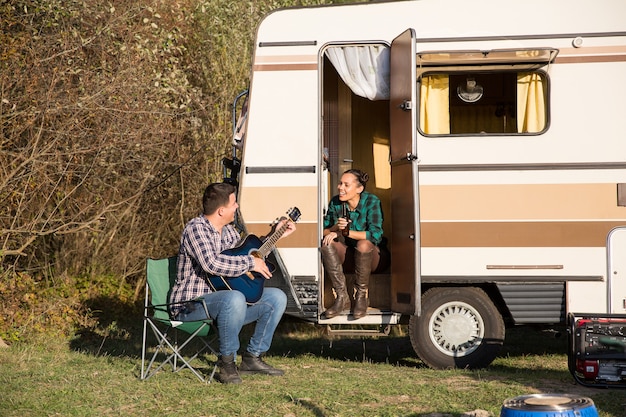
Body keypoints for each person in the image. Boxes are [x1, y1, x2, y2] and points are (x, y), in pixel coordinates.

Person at [169, 182, 296, 384]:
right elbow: (212, 263)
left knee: (276, 298)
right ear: (221, 211)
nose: (237, 207)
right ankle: (227, 363)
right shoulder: (196, 229)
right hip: (191, 306)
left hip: (226, 305)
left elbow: (245, 256)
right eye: (234, 203)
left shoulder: (229, 232)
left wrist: (275, 236)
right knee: (234, 298)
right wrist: (250, 262)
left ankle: (252, 358)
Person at [321, 169, 388, 319]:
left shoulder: (372, 201)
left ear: (359, 189)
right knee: (327, 244)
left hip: (375, 257)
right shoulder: (336, 203)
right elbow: (323, 231)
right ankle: (342, 297)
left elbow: (375, 235)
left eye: (346, 184)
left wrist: (346, 232)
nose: (340, 187)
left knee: (363, 244)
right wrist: (335, 229)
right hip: (351, 256)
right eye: (340, 183)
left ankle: (361, 296)